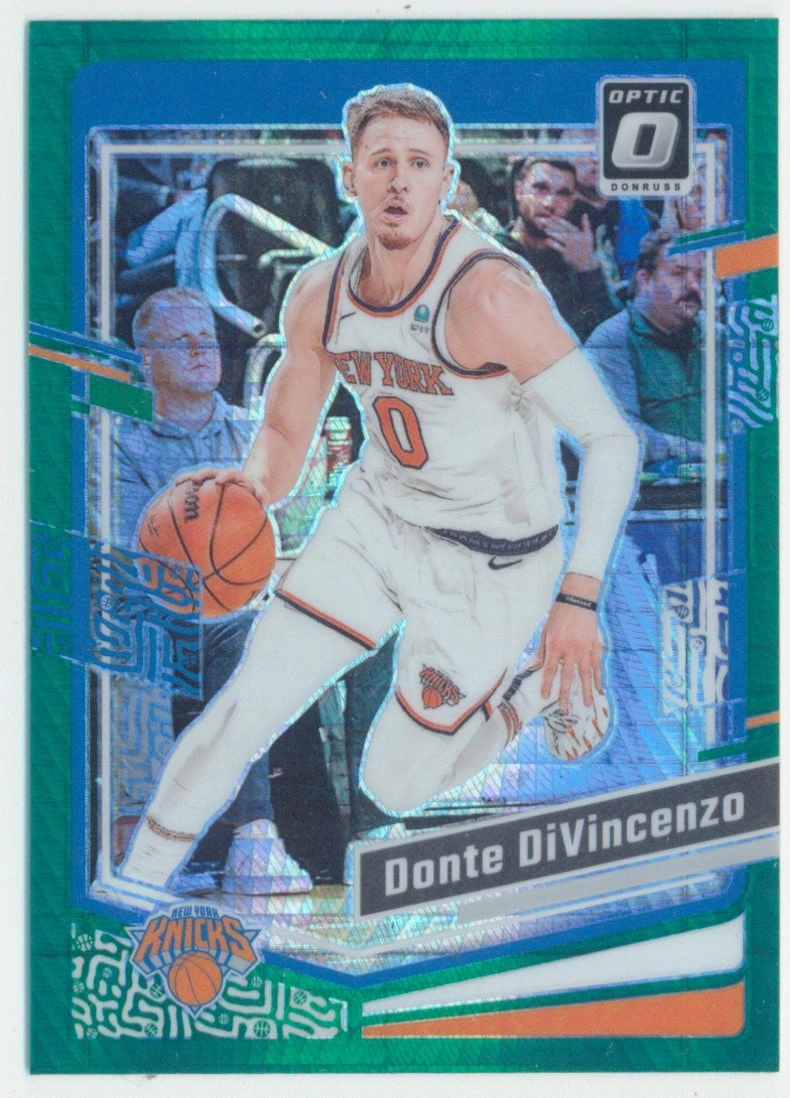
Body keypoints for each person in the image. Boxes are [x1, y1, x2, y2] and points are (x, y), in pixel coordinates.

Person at [121, 84, 639, 891]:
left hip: (494, 560)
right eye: (382, 162)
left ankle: (529, 693)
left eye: (419, 164)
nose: (399, 180)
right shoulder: (318, 291)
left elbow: (610, 440)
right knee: (244, 709)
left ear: (446, 180)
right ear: (348, 176)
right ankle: (133, 891)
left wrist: (576, 600)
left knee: (393, 785)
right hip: (378, 520)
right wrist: (248, 487)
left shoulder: (490, 294)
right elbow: (285, 432)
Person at [115, 287, 347, 885]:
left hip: (256, 606)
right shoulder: (117, 440)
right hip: (164, 619)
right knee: (239, 635)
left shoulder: (256, 434)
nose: (201, 351)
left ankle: (352, 834)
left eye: (208, 339)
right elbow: (135, 557)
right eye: (181, 342)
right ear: (146, 359)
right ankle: (246, 836)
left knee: (338, 630)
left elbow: (294, 533)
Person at [585, 230, 706, 463]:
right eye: (678, 274)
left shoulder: (715, 337)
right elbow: (621, 434)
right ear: (645, 280)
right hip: (654, 482)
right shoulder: (611, 341)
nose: (694, 286)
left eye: (700, 276)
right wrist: (699, 451)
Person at [497, 158, 618, 342]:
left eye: (563, 193)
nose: (549, 203)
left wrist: (588, 270)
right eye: (540, 188)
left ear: (572, 201)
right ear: (519, 190)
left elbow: (606, 338)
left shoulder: (575, 258)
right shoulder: (493, 252)